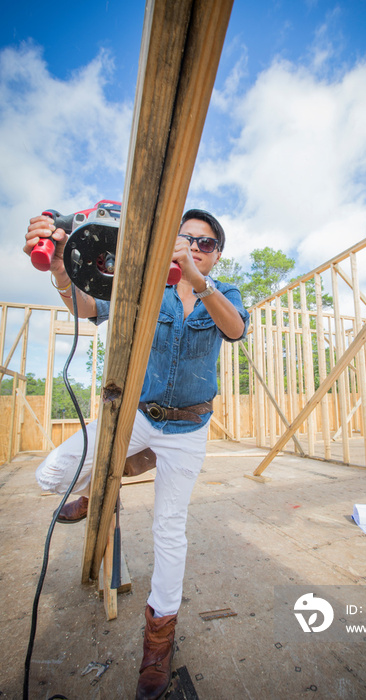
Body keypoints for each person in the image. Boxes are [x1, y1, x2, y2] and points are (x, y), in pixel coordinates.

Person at [24, 208, 249, 700]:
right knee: (49, 476)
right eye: (185, 238)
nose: (194, 246)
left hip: (189, 427)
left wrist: (196, 280)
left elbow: (234, 330)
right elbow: (88, 308)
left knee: (170, 528)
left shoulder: (223, 292)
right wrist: (62, 269)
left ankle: (159, 638)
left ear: (216, 255)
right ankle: (105, 480)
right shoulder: (149, 286)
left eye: (205, 243)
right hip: (139, 417)